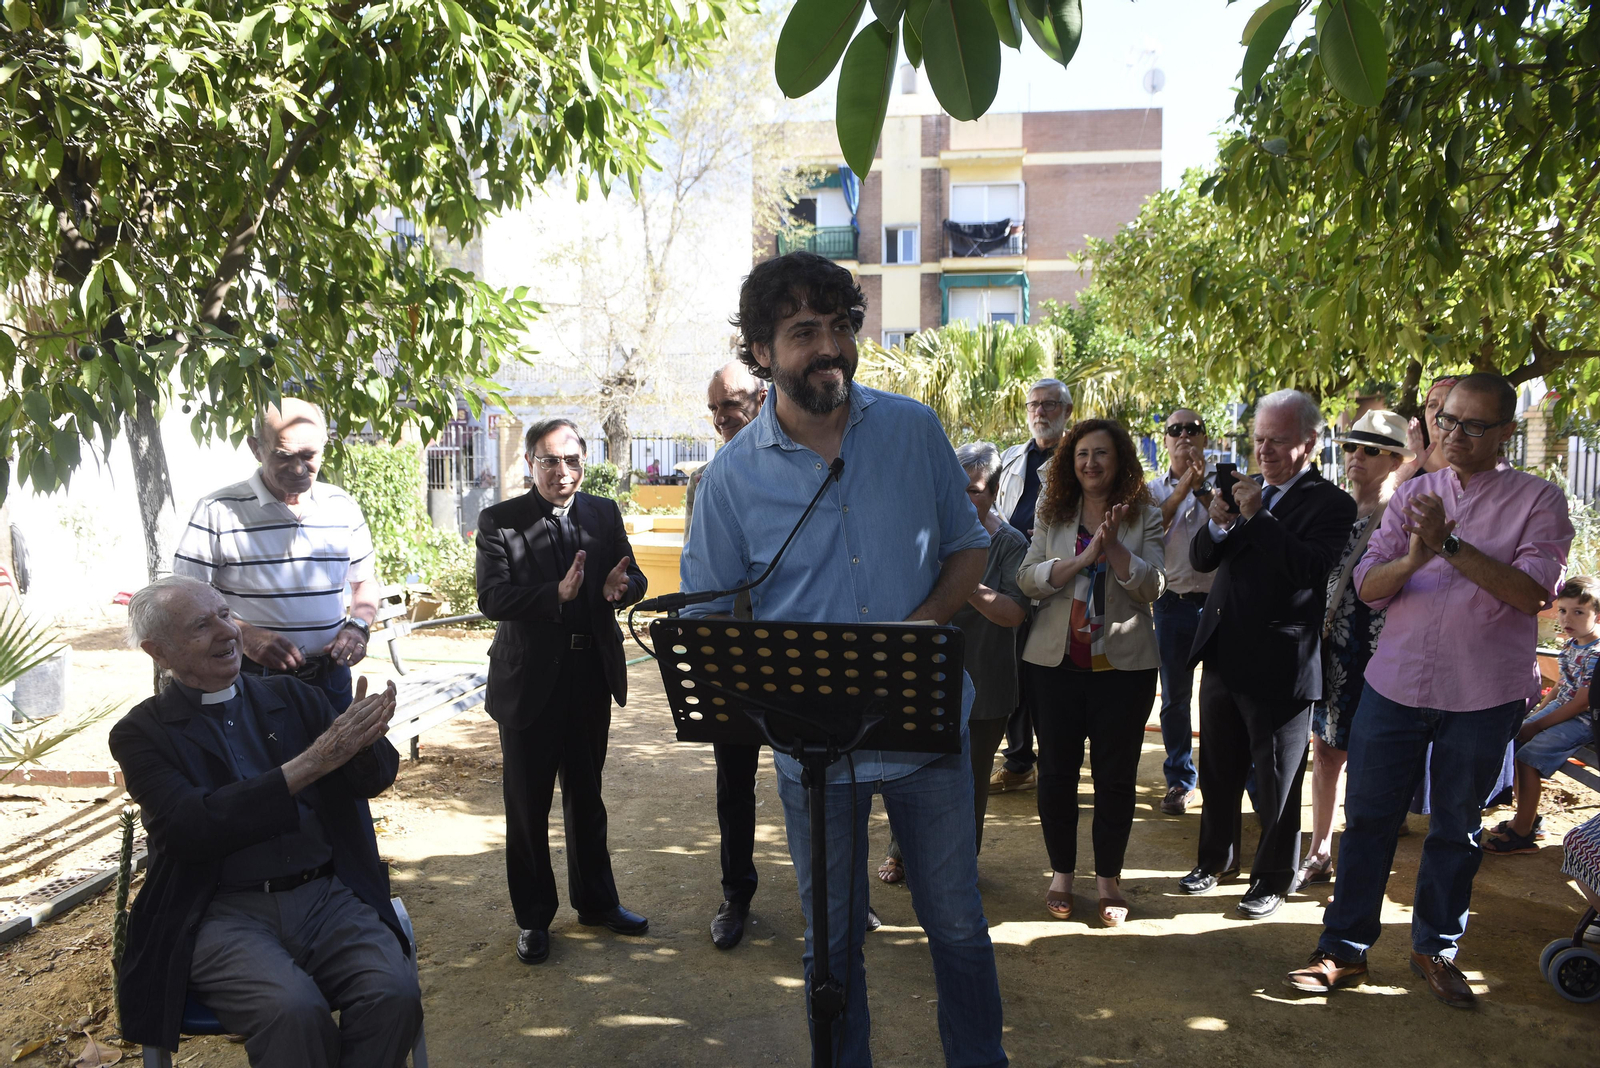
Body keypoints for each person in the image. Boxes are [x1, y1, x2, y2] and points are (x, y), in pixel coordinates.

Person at [681, 251, 1006, 1067]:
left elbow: (968, 550)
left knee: (959, 927)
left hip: (925, 733)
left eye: (838, 327)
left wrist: (921, 626)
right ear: (761, 352)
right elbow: (713, 620)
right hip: (811, 756)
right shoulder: (727, 482)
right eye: (801, 333)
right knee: (828, 945)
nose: (828, 348)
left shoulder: (913, 429)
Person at [1285, 373, 1572, 1007]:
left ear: (1505, 431)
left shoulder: (1539, 501)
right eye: (1448, 420)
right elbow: (1369, 585)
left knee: (1456, 828)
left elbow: (1532, 594)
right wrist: (1415, 559)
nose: (1456, 434)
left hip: (1483, 692)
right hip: (1394, 684)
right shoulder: (1414, 493)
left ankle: (1435, 948)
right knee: (1368, 822)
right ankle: (1342, 949)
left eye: (1474, 424)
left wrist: (1448, 544)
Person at [110, 576, 419, 1066]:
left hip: (326, 897)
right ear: (159, 651)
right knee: (292, 1011)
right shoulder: (141, 734)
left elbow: (374, 777)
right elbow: (191, 826)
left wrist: (362, 746)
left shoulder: (294, 697)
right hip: (219, 912)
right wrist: (313, 762)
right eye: (201, 625)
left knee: (395, 992)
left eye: (225, 614)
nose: (227, 631)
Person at [474, 418, 650, 967]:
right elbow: (493, 597)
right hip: (529, 681)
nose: (563, 472)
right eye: (550, 461)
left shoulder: (602, 512)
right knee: (527, 806)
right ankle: (533, 918)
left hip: (588, 674)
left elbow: (634, 576)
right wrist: (556, 592)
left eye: (573, 460)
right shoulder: (501, 521)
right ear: (530, 463)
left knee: (586, 797)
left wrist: (623, 588)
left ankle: (597, 903)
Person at [1180, 389, 1356, 919]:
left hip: (1281, 665)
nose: (1265, 451)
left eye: (1278, 441)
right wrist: (1218, 521)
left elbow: (1309, 569)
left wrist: (1257, 519)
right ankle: (1216, 859)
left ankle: (1273, 877)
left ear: (1310, 443)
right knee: (1218, 769)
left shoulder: (1331, 502)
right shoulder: (1245, 492)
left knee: (1278, 778)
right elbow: (1204, 558)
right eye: (1259, 439)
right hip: (1223, 653)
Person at [1018, 419, 1165, 926]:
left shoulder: (1143, 514)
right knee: (1056, 773)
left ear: (1119, 459)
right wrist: (1082, 558)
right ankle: (1061, 874)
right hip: (1055, 665)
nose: (1090, 463)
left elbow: (1154, 587)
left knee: (1115, 777)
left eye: (1101, 454)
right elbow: (1028, 578)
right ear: (1070, 462)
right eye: (1081, 454)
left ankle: (1108, 882)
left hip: (1123, 669)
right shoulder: (1051, 510)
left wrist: (1116, 548)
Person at [878, 441, 1028, 885]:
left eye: (977, 490)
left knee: (971, 782)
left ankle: (960, 863)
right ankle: (900, 853)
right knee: (909, 770)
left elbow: (1014, 613)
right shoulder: (926, 537)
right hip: (924, 678)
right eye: (957, 488)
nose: (965, 498)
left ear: (995, 492)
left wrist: (966, 585)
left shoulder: (1010, 544)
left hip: (986, 681)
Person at [174, 399, 378, 711]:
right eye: (283, 456)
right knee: (263, 761)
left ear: (325, 446)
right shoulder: (217, 510)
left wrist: (358, 627)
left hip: (330, 675)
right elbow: (185, 599)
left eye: (309, 456)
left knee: (341, 759)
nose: (298, 468)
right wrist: (245, 636)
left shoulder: (342, 506)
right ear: (256, 448)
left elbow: (364, 582)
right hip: (253, 677)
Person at [1295, 410, 1413, 890]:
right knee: (1325, 752)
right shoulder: (1336, 510)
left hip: (1382, 653)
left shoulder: (1401, 515)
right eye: (1350, 447)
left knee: (1371, 761)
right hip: (1331, 649)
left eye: (1371, 450)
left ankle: (1362, 865)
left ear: (1394, 460)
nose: (1356, 456)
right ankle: (1320, 849)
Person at [687, 361, 771, 950]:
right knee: (734, 784)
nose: (723, 418)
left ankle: (847, 896)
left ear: (761, 398)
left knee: (825, 782)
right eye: (714, 408)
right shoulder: (705, 482)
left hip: (800, 648)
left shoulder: (804, 467)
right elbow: (701, 575)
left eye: (731, 404)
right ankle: (736, 894)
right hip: (733, 654)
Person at [990, 378, 1073, 795]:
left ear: (1066, 412)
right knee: (1013, 671)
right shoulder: (1009, 458)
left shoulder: (1077, 460)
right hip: (1013, 574)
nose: (1040, 412)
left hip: (1058, 579)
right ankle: (1020, 762)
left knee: (1048, 676)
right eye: (1034, 405)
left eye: (1050, 405)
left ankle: (1056, 763)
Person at [1483, 576, 1600, 855]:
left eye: (1578, 612)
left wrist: (1537, 726)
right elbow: (1562, 685)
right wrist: (1536, 712)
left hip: (1585, 720)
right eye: (1563, 610)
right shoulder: (1574, 644)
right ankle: (1529, 819)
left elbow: (1582, 702)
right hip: (1565, 708)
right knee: (1515, 740)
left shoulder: (1596, 654)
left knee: (1527, 757)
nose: (1567, 618)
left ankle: (1523, 832)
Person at [1147, 409, 1215, 815]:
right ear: (1166, 440)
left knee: (1222, 696)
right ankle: (1179, 780)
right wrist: (1184, 485)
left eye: (1193, 429)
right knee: (1174, 698)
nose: (1185, 435)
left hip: (1217, 603)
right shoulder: (1153, 489)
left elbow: (1234, 524)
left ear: (1205, 438)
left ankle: (1228, 776)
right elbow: (1154, 528)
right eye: (1176, 430)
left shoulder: (1222, 483)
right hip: (1171, 603)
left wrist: (1203, 485)